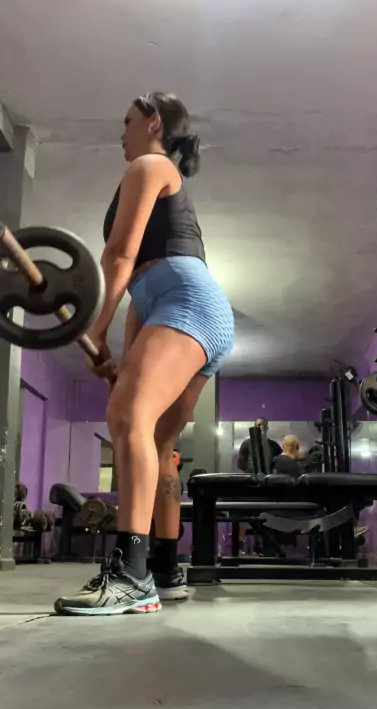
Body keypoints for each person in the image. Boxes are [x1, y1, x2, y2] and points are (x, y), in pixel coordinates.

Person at [54, 92, 234, 616]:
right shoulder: (161, 177)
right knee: (157, 441)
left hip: (185, 303)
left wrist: (96, 326)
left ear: (154, 122)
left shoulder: (149, 165)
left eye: (128, 122)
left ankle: (131, 577)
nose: (122, 134)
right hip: (189, 308)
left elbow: (120, 254)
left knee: (128, 419)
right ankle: (165, 568)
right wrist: (121, 355)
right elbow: (142, 291)